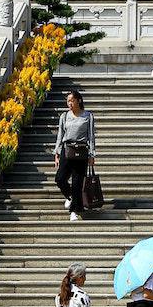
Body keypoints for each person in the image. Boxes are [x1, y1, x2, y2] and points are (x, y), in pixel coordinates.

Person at [54, 89, 95, 223]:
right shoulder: (64, 116)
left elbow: (91, 136)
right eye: (68, 101)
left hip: (81, 151)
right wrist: (57, 153)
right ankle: (71, 197)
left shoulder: (88, 116)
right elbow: (60, 135)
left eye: (72, 100)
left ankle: (74, 211)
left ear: (79, 100)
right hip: (67, 150)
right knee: (60, 178)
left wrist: (92, 154)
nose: (69, 103)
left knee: (77, 182)